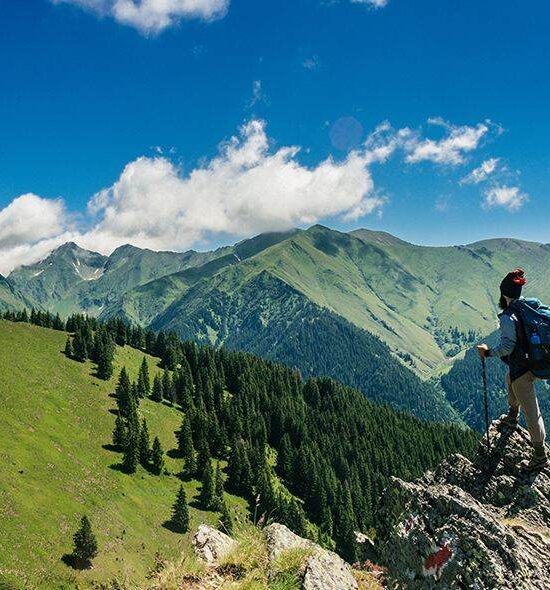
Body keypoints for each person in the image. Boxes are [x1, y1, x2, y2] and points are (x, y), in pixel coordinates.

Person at [477, 268, 547, 472]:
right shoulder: (530, 305)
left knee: (531, 410)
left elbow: (507, 347)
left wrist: (488, 352)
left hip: (523, 368)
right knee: (510, 378)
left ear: (504, 294)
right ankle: (512, 414)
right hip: (537, 360)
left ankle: (540, 455)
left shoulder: (509, 316)